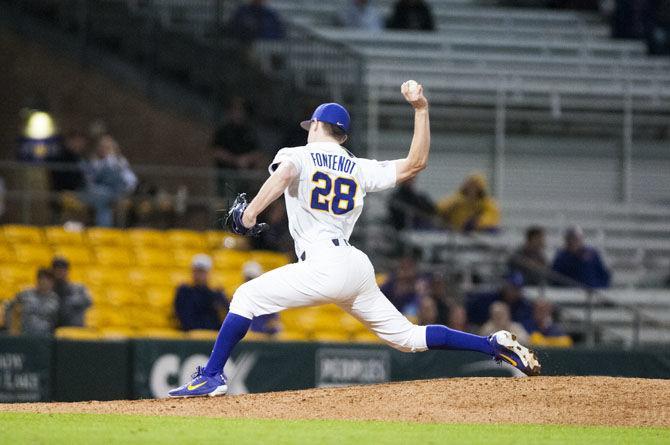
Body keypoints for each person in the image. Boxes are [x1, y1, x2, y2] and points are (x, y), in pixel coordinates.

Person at [169, 82, 540, 398]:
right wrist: (421, 109)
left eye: (310, 124)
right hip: (355, 266)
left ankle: (214, 376)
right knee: (408, 337)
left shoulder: (298, 153)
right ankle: (492, 344)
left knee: (247, 296)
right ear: (342, 135)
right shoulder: (359, 166)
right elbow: (415, 163)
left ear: (316, 125)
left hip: (322, 262)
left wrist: (249, 214)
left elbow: (284, 175)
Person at [80, 134, 138, 227]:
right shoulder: (93, 161)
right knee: (103, 199)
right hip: (98, 191)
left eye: (108, 147)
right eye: (102, 147)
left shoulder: (120, 161)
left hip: (117, 191)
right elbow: (89, 181)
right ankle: (105, 230)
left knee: (107, 199)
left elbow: (131, 180)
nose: (104, 149)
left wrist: (111, 160)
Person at [211, 97, 265, 196]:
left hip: (244, 177)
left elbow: (258, 153)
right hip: (225, 175)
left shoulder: (249, 131)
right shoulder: (223, 131)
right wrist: (235, 160)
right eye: (235, 110)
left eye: (241, 110)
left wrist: (247, 159)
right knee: (224, 203)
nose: (238, 113)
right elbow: (216, 151)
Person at [174, 254, 229, 331]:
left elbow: (226, 312)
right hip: (190, 333)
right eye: (197, 271)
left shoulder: (215, 293)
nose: (199, 275)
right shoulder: (184, 291)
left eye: (202, 271)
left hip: (212, 334)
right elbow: (182, 315)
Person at [436, 173, 501, 233]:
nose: (472, 189)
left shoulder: (486, 203)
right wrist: (457, 202)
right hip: (455, 232)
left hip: (477, 234)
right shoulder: (456, 199)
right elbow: (439, 209)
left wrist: (477, 223)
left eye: (476, 187)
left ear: (481, 189)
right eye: (471, 185)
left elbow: (491, 217)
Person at [466, 272, 534, 327]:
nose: (513, 292)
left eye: (517, 289)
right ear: (506, 286)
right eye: (512, 287)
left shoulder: (524, 306)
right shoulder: (489, 299)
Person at [4, 268, 60, 336]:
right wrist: (10, 326)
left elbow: (56, 320)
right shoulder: (25, 294)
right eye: (42, 279)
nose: (44, 282)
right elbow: (8, 307)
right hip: (25, 336)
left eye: (48, 280)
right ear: (37, 280)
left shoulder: (55, 299)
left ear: (52, 283)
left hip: (45, 338)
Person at [51, 257, 92, 327]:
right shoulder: (48, 290)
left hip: (75, 329)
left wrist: (69, 303)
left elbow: (89, 302)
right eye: (57, 270)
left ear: (68, 271)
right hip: (53, 330)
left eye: (63, 270)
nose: (60, 272)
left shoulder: (79, 289)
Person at [245, 262, 281, 335]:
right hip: (248, 337)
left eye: (252, 279)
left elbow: (274, 322)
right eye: (248, 279)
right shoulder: (240, 296)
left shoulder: (267, 297)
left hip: (263, 336)